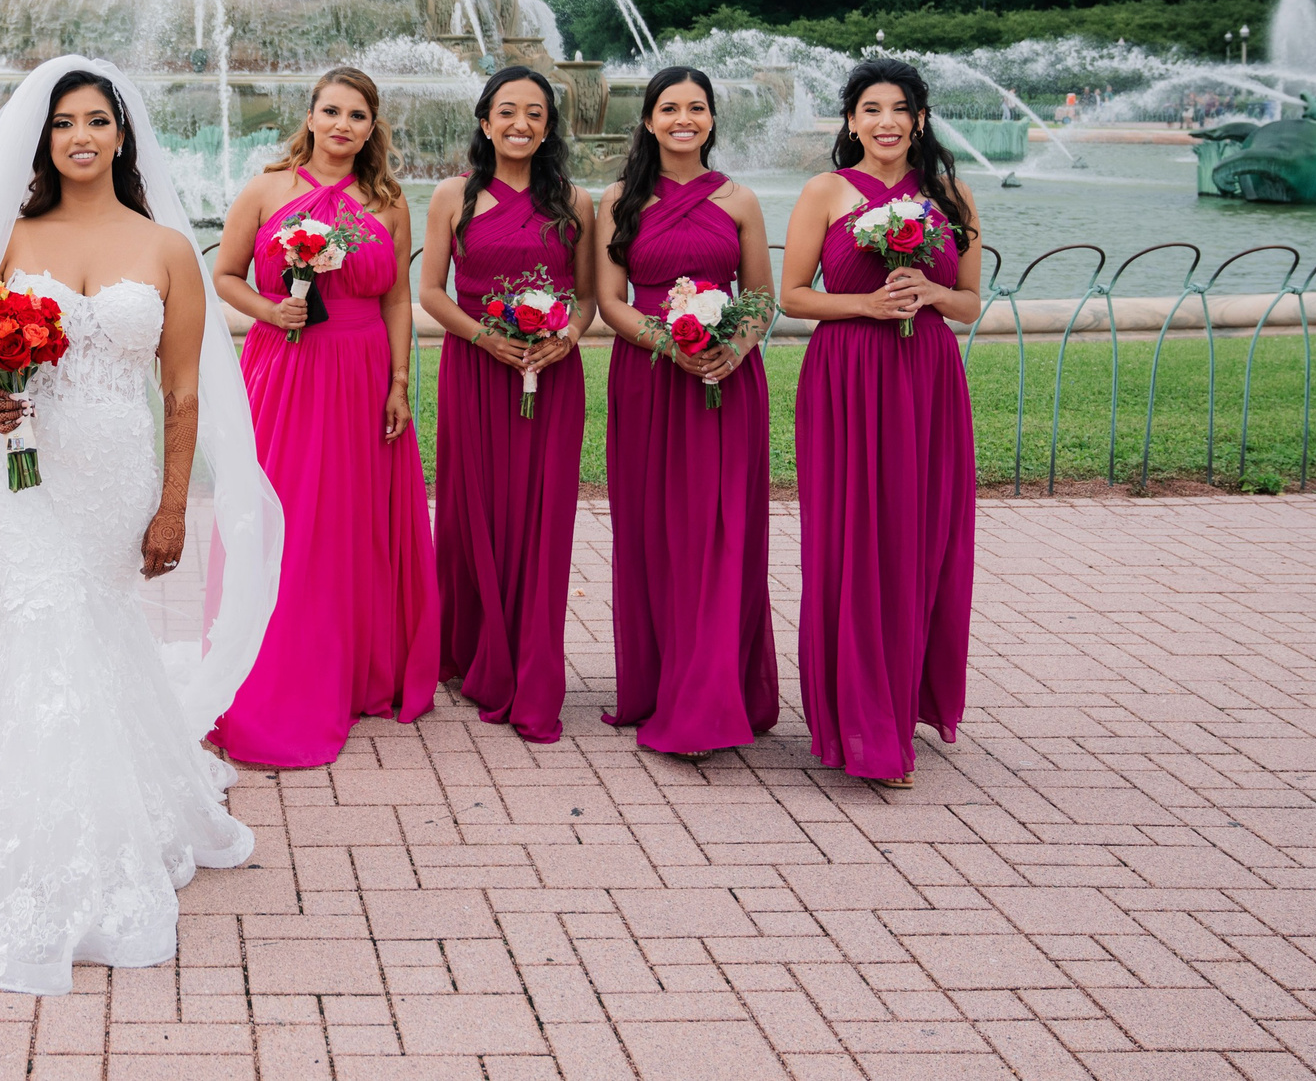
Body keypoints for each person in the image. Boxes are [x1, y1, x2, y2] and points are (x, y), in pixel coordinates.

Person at [0, 56, 280, 996]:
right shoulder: (10, 236)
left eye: (96, 122)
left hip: (114, 475)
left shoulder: (165, 248)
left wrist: (168, 506)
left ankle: (144, 802)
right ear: (45, 142)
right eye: (64, 124)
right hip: (19, 474)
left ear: (121, 135)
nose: (81, 137)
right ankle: (47, 863)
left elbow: (183, 389)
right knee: (41, 631)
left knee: (99, 628)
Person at [208, 66, 437, 765]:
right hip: (288, 369)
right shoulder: (267, 189)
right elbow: (223, 275)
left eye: (358, 116)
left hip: (364, 370)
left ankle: (358, 664)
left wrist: (400, 381)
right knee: (286, 516)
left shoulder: (389, 201)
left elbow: (397, 299)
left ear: (373, 127)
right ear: (309, 116)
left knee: (352, 517)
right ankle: (272, 660)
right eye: (331, 111)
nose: (343, 126)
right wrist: (269, 310)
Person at [781, 58, 981, 790]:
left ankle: (901, 705)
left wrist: (929, 290)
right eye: (871, 109)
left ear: (920, 119)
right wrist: (867, 305)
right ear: (851, 120)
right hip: (846, 379)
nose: (886, 121)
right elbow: (794, 297)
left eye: (900, 108)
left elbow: (968, 305)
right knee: (852, 543)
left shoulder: (950, 195)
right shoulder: (824, 191)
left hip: (926, 380)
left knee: (918, 542)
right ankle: (864, 726)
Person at [591, 66, 779, 760]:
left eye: (696, 108)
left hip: (729, 379)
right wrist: (670, 343)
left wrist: (733, 347)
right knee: (655, 530)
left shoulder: (740, 200)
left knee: (721, 532)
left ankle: (713, 698)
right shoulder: (616, 200)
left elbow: (761, 295)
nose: (683, 118)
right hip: (648, 377)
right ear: (647, 120)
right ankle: (662, 682)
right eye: (669, 107)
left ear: (711, 120)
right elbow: (610, 300)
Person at [420, 66, 593, 744]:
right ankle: (473, 653)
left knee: (542, 515)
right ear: (485, 121)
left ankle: (532, 667)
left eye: (534, 114)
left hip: (552, 372)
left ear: (549, 126)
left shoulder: (576, 202)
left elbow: (586, 295)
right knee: (475, 508)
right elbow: (431, 291)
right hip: (475, 367)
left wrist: (568, 336)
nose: (520, 124)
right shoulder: (451, 198)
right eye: (506, 112)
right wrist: (486, 338)